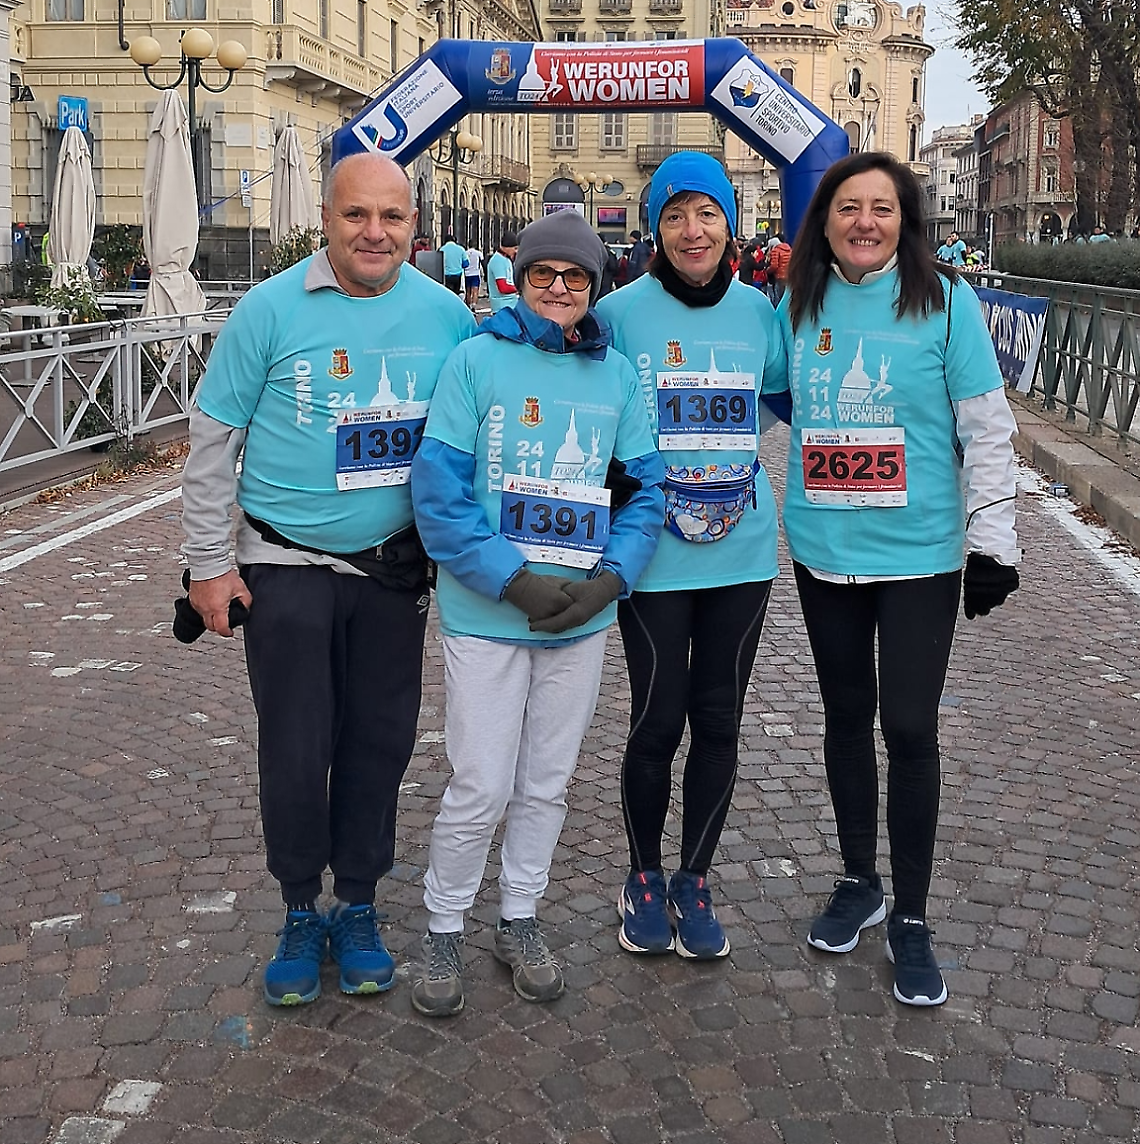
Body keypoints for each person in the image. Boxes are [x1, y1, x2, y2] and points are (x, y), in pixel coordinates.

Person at [180, 152, 476, 1008]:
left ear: (414, 225)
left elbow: (477, 432)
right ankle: (299, 909)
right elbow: (212, 444)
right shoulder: (268, 310)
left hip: (391, 572)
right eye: (356, 216)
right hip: (286, 568)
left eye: (391, 217)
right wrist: (209, 565)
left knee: (380, 743)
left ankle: (358, 903)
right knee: (296, 745)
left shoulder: (448, 316)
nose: (374, 233)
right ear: (326, 220)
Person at [408, 208, 665, 1016]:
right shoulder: (475, 361)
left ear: (594, 285)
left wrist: (610, 581)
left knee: (546, 783)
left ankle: (519, 915)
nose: (559, 288)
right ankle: (444, 925)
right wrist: (512, 581)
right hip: (489, 615)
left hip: (579, 618)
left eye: (575, 276)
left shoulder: (616, 377)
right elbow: (439, 492)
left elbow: (646, 491)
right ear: (519, 278)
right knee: (481, 782)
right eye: (544, 274)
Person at [779, 151, 1020, 1007]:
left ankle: (912, 917)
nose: (865, 222)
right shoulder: (797, 301)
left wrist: (995, 542)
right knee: (847, 717)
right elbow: (764, 391)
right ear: (825, 220)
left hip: (918, 553)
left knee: (910, 727)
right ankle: (859, 880)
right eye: (849, 207)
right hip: (824, 550)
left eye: (882, 207)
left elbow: (986, 426)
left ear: (905, 220)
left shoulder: (947, 302)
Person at [596, 152, 790, 962]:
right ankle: (643, 876)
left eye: (707, 212)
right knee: (656, 718)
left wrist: (723, 459)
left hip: (742, 553)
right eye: (674, 215)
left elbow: (778, 400)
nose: (692, 229)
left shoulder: (758, 312)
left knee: (718, 720)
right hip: (652, 554)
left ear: (730, 225)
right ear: (655, 229)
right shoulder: (617, 314)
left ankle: (694, 878)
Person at [487, 231, 519, 312]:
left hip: (511, 304)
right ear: (507, 247)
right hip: (502, 307)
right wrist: (519, 289)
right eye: (515, 248)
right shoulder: (498, 261)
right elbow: (503, 288)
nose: (516, 251)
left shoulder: (506, 259)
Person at [766, 231, 792, 304]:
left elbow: (774, 266)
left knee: (778, 298)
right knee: (786, 298)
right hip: (788, 276)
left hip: (779, 277)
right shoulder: (789, 250)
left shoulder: (776, 250)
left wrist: (767, 270)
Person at [598, 233, 620, 297]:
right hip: (606, 280)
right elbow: (613, 266)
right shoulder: (609, 252)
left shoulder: (593, 251)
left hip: (596, 280)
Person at [463, 242, 483, 310]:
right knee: (475, 291)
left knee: (468, 291)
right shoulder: (478, 253)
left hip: (467, 274)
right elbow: (482, 262)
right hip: (475, 273)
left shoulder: (465, 253)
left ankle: (468, 305)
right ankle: (473, 305)